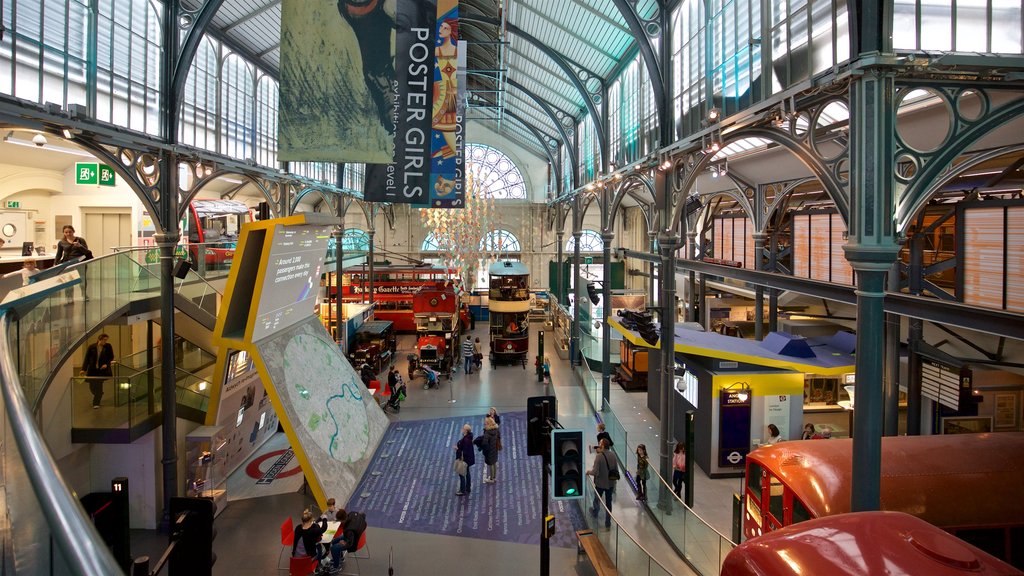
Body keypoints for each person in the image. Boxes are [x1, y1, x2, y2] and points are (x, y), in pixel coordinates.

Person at [587, 439, 618, 528]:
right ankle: (608, 522)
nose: (598, 444)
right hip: (610, 484)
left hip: (600, 484)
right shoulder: (613, 455)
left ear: (603, 446)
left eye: (600, 443)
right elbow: (615, 469)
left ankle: (595, 512)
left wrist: (589, 472)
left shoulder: (599, 457)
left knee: (597, 499)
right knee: (609, 502)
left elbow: (595, 472)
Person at [325, 508, 367, 573]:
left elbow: (350, 544)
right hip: (355, 536)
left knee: (333, 548)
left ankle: (336, 567)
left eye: (339, 521)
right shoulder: (353, 513)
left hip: (354, 542)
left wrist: (344, 542)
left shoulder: (349, 530)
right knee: (334, 541)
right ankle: (340, 558)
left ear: (342, 520)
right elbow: (363, 515)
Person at [55, 225, 89, 300]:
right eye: (66, 232)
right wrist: (55, 263)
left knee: (82, 278)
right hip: (67, 263)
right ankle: (69, 298)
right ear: (63, 233)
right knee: (68, 280)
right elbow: (59, 254)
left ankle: (84, 295)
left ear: (73, 231)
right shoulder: (61, 242)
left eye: (70, 232)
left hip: (80, 262)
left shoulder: (80, 240)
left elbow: (87, 252)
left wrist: (80, 246)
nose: (68, 234)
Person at [81, 333, 114, 409]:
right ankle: (99, 394)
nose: (105, 341)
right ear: (99, 339)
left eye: (106, 340)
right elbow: (87, 359)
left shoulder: (108, 347)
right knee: (92, 387)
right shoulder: (91, 347)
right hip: (92, 370)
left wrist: (106, 364)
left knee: (99, 385)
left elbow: (111, 357)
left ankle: (96, 403)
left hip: (101, 371)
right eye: (104, 340)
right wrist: (83, 369)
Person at [474, 416, 500, 484]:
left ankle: (491, 479)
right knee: (494, 463)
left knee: (491, 464)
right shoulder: (496, 429)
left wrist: (485, 450)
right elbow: (498, 437)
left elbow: (484, 443)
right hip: (495, 449)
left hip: (489, 451)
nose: (484, 424)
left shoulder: (487, 432)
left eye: (485, 423)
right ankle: (494, 477)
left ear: (488, 423)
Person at [454, 423, 476, 495]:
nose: (462, 429)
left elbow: (465, 452)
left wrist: (457, 449)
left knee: (462, 474)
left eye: (463, 428)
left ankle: (462, 490)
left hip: (464, 460)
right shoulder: (468, 437)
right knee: (467, 473)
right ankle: (468, 488)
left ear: (466, 431)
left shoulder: (466, 440)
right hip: (469, 459)